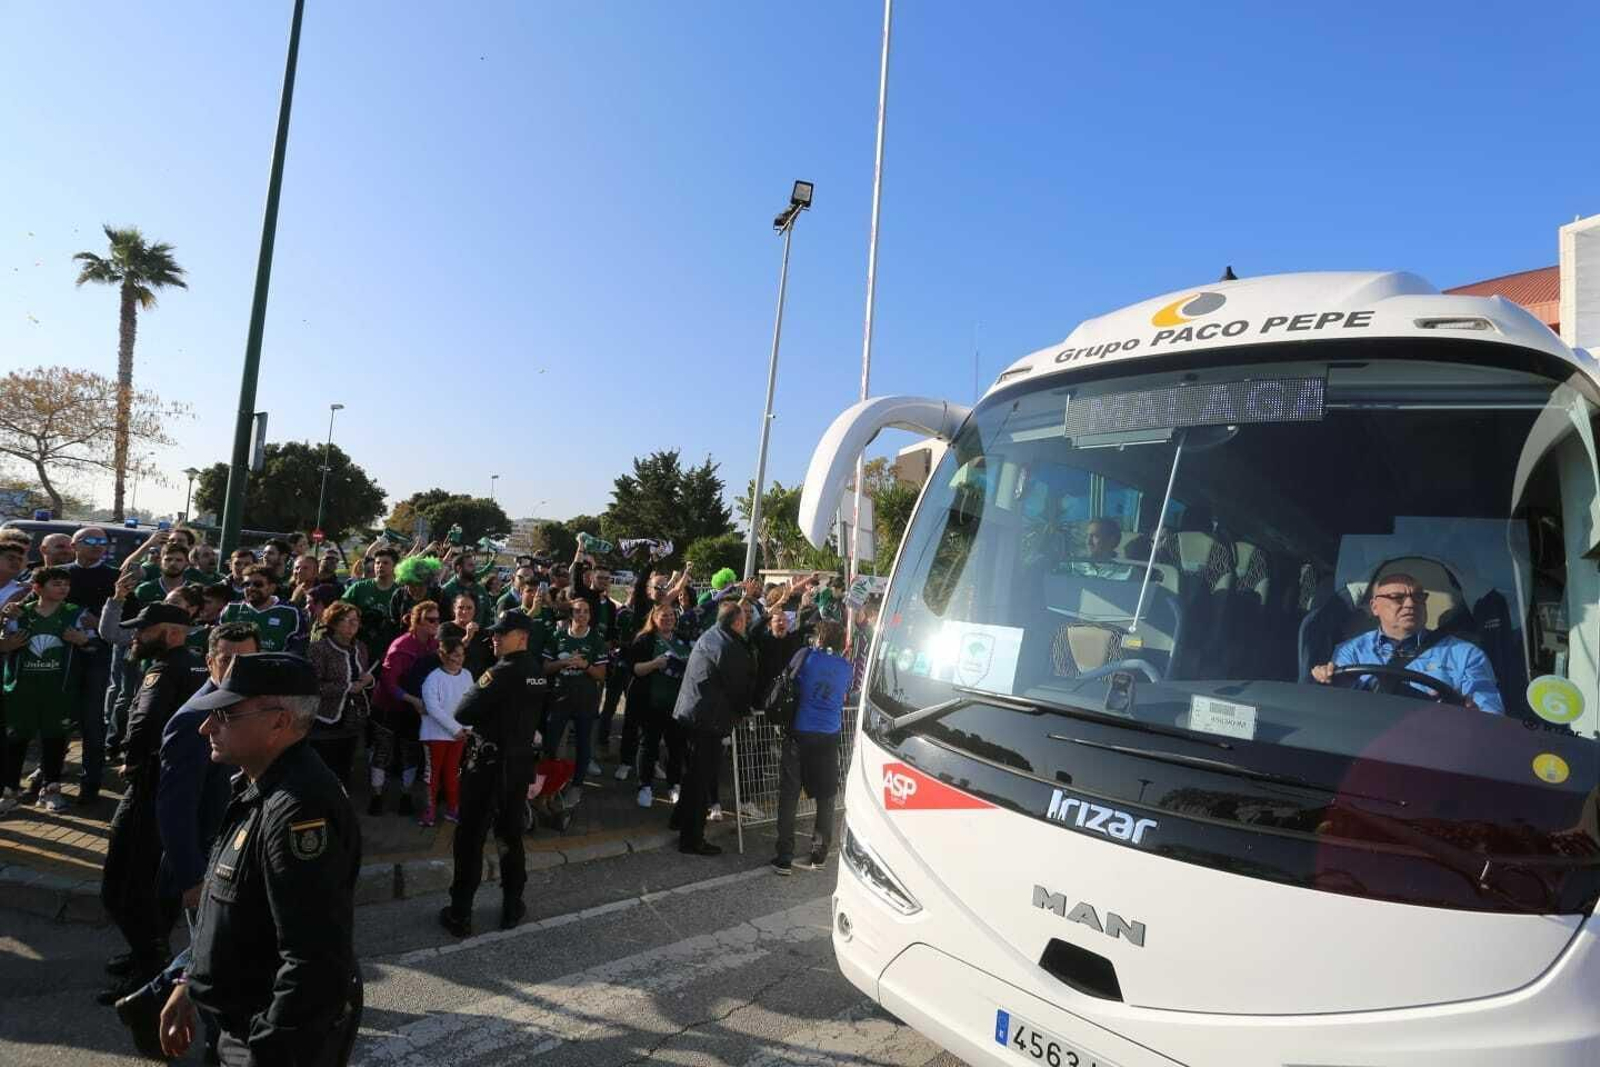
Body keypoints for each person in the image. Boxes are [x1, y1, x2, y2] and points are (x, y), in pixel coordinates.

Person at [158, 653, 364, 1066]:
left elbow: (315, 960)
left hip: (267, 1039)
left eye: (226, 714)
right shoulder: (259, 784)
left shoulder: (300, 809)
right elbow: (231, 908)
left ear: (278, 722)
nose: (206, 727)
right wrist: (192, 980)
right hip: (239, 1021)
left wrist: (268, 1049)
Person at [98, 602, 207, 1005]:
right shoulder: (197, 665)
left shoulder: (166, 667)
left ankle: (150, 969)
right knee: (142, 879)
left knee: (125, 884)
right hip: (179, 782)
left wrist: (130, 757)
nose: (137, 637)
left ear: (174, 632)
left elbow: (145, 720)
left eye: (145, 630)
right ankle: (145, 954)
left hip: (152, 783)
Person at [440, 610, 550, 937]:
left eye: (503, 633)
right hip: (517, 766)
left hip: (488, 767)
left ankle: (460, 913)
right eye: (495, 633)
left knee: (471, 839)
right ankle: (512, 906)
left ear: (523, 637)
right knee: (510, 836)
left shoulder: (500, 672)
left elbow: (463, 711)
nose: (495, 637)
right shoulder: (537, 672)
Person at [1310, 572, 1504, 712]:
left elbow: (1491, 717)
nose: (1411, 604)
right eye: (1397, 597)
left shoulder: (1466, 654)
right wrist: (1329, 684)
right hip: (1364, 746)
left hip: (1437, 748)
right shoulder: (1349, 651)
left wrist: (1469, 712)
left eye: (1418, 597)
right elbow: (1338, 711)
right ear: (1374, 606)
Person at [1, 566, 90, 811]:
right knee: (16, 741)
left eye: (66, 584)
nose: (63, 588)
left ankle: (51, 789)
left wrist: (83, 641)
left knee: (54, 739)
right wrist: (5, 643)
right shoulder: (19, 613)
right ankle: (9, 792)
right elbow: (3, 643)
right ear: (37, 588)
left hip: (58, 690)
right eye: (56, 584)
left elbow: (96, 642)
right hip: (21, 690)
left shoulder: (75, 613)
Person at [670, 599, 754, 856]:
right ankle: (692, 839)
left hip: (691, 713)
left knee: (693, 774)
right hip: (709, 719)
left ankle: (678, 819)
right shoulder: (730, 646)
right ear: (738, 622)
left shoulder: (711, 634)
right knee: (701, 779)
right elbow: (739, 688)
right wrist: (743, 712)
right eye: (745, 620)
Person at [772, 620, 849, 875]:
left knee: (790, 794)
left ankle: (784, 856)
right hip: (828, 734)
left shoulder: (806, 657)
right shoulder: (846, 667)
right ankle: (819, 854)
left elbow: (789, 681)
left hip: (800, 732)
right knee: (826, 796)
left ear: (819, 638)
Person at [369, 601, 440, 815]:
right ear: (416, 621)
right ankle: (376, 796)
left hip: (413, 711)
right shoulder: (401, 647)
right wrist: (412, 700)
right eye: (431, 619)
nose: (436, 623)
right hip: (388, 708)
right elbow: (389, 682)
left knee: (410, 754)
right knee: (383, 751)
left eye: (438, 619)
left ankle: (406, 796)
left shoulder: (434, 646)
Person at [64, 526, 118, 805]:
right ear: (74, 545)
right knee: (58, 717)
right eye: (91, 541)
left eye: (103, 541)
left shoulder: (115, 577)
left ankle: (91, 783)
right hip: (61, 653)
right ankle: (49, 778)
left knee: (92, 721)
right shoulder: (62, 574)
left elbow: (128, 621)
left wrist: (98, 624)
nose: (98, 545)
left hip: (98, 655)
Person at [542, 597, 608, 794]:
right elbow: (545, 668)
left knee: (583, 743)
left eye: (586, 611)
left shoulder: (597, 639)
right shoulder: (557, 636)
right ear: (571, 615)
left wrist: (585, 665)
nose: (582, 615)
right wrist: (563, 663)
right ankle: (549, 785)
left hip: (585, 700)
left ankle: (577, 785)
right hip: (560, 698)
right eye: (578, 611)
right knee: (551, 743)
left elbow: (601, 675)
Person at [307, 602, 373, 789]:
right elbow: (313, 686)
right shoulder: (319, 648)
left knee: (345, 768)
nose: (354, 624)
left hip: (353, 719)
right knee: (324, 770)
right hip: (325, 721)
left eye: (356, 620)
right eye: (348, 620)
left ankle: (340, 807)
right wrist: (346, 687)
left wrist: (368, 680)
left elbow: (363, 677)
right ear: (334, 623)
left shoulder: (361, 647)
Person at [419, 634, 471, 827]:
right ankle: (429, 810)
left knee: (452, 773)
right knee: (433, 774)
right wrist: (456, 729)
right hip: (435, 736)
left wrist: (467, 728)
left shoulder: (466, 675)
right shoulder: (432, 679)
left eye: (461, 654)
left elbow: (470, 702)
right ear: (442, 655)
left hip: (459, 736)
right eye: (454, 655)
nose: (458, 659)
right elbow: (433, 709)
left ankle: (453, 808)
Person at [219, 566, 304, 654]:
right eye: (246, 584)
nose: (250, 588)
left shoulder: (290, 612)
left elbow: (297, 649)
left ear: (271, 588)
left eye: (258, 584)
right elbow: (217, 643)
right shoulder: (231, 610)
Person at [339, 545, 401, 664]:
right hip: (357, 644)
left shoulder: (400, 591)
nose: (380, 566)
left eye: (385, 563)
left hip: (387, 647)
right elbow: (340, 609)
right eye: (377, 563)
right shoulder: (359, 587)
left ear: (394, 567)